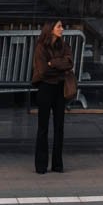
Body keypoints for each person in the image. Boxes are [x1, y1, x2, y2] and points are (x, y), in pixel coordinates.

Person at [32, 19, 74, 174]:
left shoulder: (64, 45)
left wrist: (53, 63)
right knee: (43, 127)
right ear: (50, 29)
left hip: (60, 88)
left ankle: (57, 164)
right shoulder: (41, 47)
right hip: (45, 88)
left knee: (59, 127)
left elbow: (69, 63)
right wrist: (59, 66)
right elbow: (42, 71)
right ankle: (41, 165)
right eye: (59, 26)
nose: (62, 29)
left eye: (62, 26)